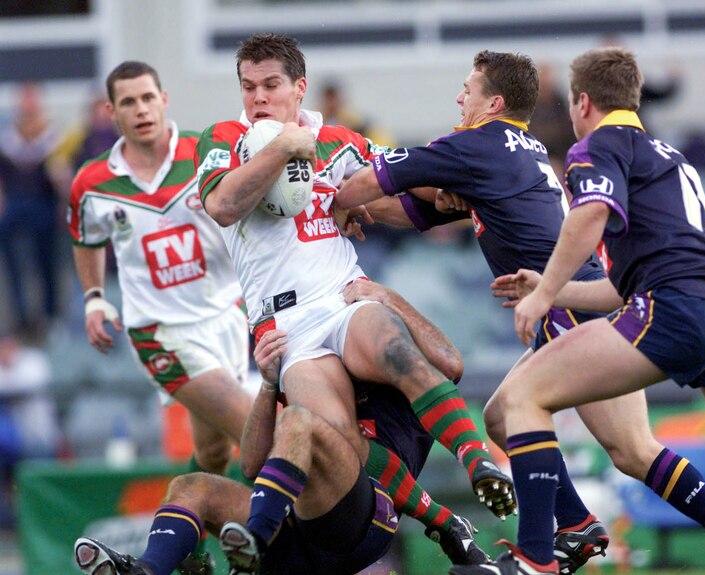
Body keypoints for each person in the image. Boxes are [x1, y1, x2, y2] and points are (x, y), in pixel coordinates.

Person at [336, 49, 705, 574]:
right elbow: (406, 211)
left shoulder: (476, 144)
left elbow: (367, 183)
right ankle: (584, 527)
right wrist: (375, 205)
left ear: (493, 102)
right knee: (504, 418)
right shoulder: (513, 150)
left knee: (629, 448)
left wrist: (332, 199)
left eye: (467, 89)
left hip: (572, 305)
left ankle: (553, 553)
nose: (459, 98)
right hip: (576, 298)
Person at [453, 46, 705, 575]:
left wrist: (545, 291)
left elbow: (590, 214)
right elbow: (621, 289)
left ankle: (536, 559)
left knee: (522, 398)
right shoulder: (668, 155)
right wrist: (555, 290)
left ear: (582, 103)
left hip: (678, 309)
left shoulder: (596, 147)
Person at [194, 32, 514, 518]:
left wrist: (453, 195)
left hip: (342, 296)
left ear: (299, 87)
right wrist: (284, 147)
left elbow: (403, 182)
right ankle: (446, 525)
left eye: (271, 85)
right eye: (248, 86)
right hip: (286, 328)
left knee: (398, 353)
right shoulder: (223, 138)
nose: (258, 98)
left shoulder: (337, 141)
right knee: (339, 438)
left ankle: (479, 461)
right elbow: (222, 205)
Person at [73, 280, 490, 575]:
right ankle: (149, 569)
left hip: (364, 522)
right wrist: (268, 385)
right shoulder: (313, 367)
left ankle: (254, 539)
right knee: (191, 487)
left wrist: (389, 297)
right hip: (294, 526)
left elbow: (450, 362)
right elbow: (253, 466)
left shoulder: (399, 365)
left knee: (301, 420)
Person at [68, 61, 253, 480]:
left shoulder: (206, 152)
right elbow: (85, 237)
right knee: (257, 431)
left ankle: (186, 523)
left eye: (148, 97)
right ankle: (299, 522)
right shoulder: (91, 183)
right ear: (111, 112)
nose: (141, 109)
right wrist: (94, 298)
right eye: (128, 102)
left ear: (164, 100)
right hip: (159, 331)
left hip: (225, 315)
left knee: (213, 450)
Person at [0, 82, 65, 332]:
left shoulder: (53, 137)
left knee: (47, 260)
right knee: (14, 264)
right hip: (14, 202)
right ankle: (20, 316)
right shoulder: (8, 137)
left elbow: (60, 175)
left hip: (43, 203)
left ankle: (49, 315)